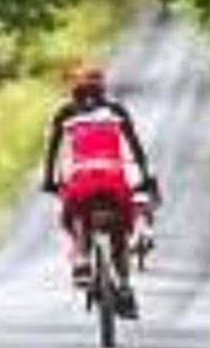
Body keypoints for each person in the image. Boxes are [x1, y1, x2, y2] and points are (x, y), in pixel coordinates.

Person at [41, 61, 160, 311]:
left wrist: (49, 180)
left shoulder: (65, 113)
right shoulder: (115, 110)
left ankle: (82, 258)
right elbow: (135, 147)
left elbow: (53, 151)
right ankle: (125, 286)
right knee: (120, 234)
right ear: (102, 86)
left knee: (74, 213)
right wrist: (145, 177)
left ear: (74, 88)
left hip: (81, 180)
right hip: (114, 179)